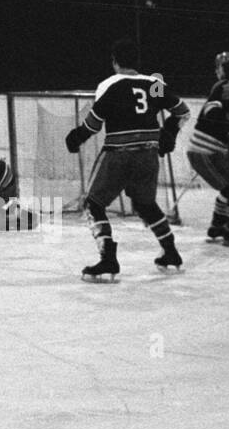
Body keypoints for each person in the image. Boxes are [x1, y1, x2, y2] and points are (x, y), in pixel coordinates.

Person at [64, 39, 190, 280]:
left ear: (114, 62)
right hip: (148, 156)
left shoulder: (110, 84)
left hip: (118, 156)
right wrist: (169, 133)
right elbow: (182, 111)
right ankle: (171, 250)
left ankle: (108, 258)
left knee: (94, 204)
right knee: (145, 204)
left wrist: (76, 137)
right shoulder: (154, 84)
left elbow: (94, 122)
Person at [184, 52, 229, 245]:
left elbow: (226, 123)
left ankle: (217, 226)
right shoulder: (225, 87)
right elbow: (212, 112)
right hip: (204, 152)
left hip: (209, 152)